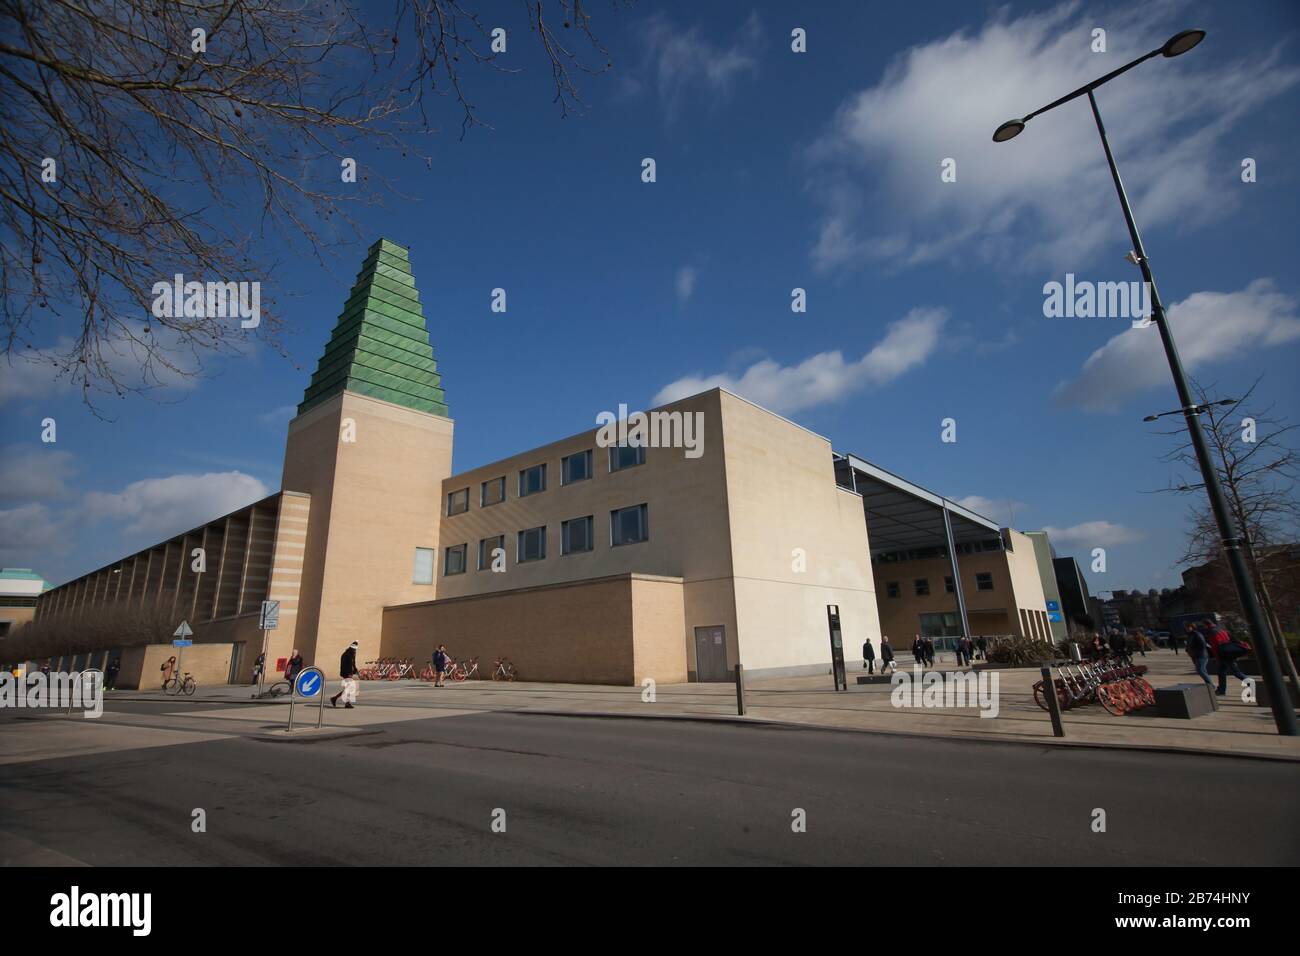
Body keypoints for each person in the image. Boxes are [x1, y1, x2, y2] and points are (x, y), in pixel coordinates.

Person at [1206, 621, 1252, 697]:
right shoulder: (1221, 629)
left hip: (1223, 654)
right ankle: (1221, 690)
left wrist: (1217, 657)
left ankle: (1251, 683)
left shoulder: (1212, 632)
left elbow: (1215, 646)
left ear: (1206, 625)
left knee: (1235, 672)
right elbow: (1232, 638)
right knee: (1222, 672)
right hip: (1228, 652)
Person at [330, 641, 360, 709]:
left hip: (350, 673)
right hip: (346, 673)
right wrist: (348, 673)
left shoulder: (352, 654)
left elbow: (353, 664)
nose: (355, 649)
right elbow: (344, 665)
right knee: (349, 688)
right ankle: (336, 699)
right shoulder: (346, 654)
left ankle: (345, 702)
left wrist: (355, 670)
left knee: (349, 688)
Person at [1185, 624, 1212, 688]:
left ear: (1192, 627)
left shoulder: (1196, 634)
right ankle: (1208, 684)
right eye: (1186, 628)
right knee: (1203, 670)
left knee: (1200, 670)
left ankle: (1211, 685)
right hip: (1194, 655)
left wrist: (1195, 650)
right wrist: (1187, 650)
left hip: (1201, 655)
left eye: (1189, 627)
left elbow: (1202, 644)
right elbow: (1188, 644)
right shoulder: (1190, 635)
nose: (1187, 629)